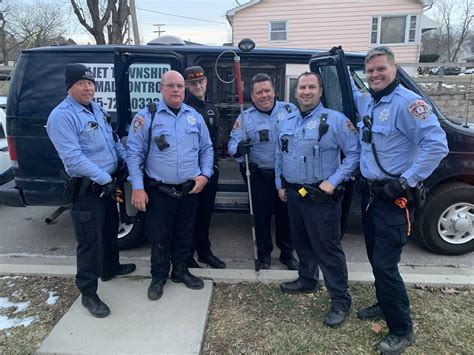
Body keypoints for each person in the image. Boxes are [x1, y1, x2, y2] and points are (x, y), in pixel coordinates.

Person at [349, 46, 448, 353]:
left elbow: (436, 145)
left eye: (381, 69)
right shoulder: (370, 102)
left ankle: (402, 330)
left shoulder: (408, 103)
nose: (375, 75)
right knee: (375, 258)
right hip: (370, 195)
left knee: (386, 264)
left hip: (394, 199)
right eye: (370, 71)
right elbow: (349, 91)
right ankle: (384, 303)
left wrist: (406, 180)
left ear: (394, 69)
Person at [47, 63, 136, 318]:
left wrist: (125, 160)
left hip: (107, 186)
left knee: (110, 230)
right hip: (88, 191)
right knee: (89, 243)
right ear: (70, 87)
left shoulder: (95, 108)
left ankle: (110, 268)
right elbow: (73, 158)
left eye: (90, 83)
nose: (87, 88)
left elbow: (112, 140)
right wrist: (104, 177)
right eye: (81, 83)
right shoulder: (62, 116)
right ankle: (88, 293)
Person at [275, 72, 360, 327]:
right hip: (294, 193)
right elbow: (280, 153)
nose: (306, 92)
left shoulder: (336, 121)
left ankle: (340, 301)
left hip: (321, 196)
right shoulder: (286, 121)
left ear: (320, 91)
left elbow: (355, 154)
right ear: (296, 91)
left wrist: (333, 181)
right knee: (302, 243)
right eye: (302, 87)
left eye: (312, 87)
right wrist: (280, 184)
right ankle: (307, 280)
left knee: (328, 250)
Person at [127, 70, 214, 301]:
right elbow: (133, 155)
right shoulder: (146, 117)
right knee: (159, 236)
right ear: (161, 88)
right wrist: (137, 187)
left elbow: (207, 148)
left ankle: (181, 271)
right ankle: (158, 277)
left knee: (184, 234)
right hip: (160, 191)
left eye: (180, 86)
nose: (176, 90)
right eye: (171, 86)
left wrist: (204, 175)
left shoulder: (194, 117)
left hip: (189, 190)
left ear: (184, 89)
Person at [227, 73, 298, 270]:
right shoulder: (245, 118)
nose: (264, 95)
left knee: (286, 215)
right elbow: (231, 146)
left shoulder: (290, 110)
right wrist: (239, 150)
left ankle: (287, 253)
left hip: (286, 174)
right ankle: (264, 255)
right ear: (252, 95)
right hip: (260, 175)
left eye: (267, 90)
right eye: (259, 92)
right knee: (261, 216)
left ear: (274, 91)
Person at [183, 66, 226, 269]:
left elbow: (215, 138)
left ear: (206, 82)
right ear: (186, 85)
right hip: (191, 173)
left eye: (200, 82)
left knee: (206, 214)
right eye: (193, 83)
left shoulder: (210, 107)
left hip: (210, 171)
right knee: (190, 216)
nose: (198, 86)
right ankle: (187, 255)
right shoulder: (183, 109)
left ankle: (204, 251)